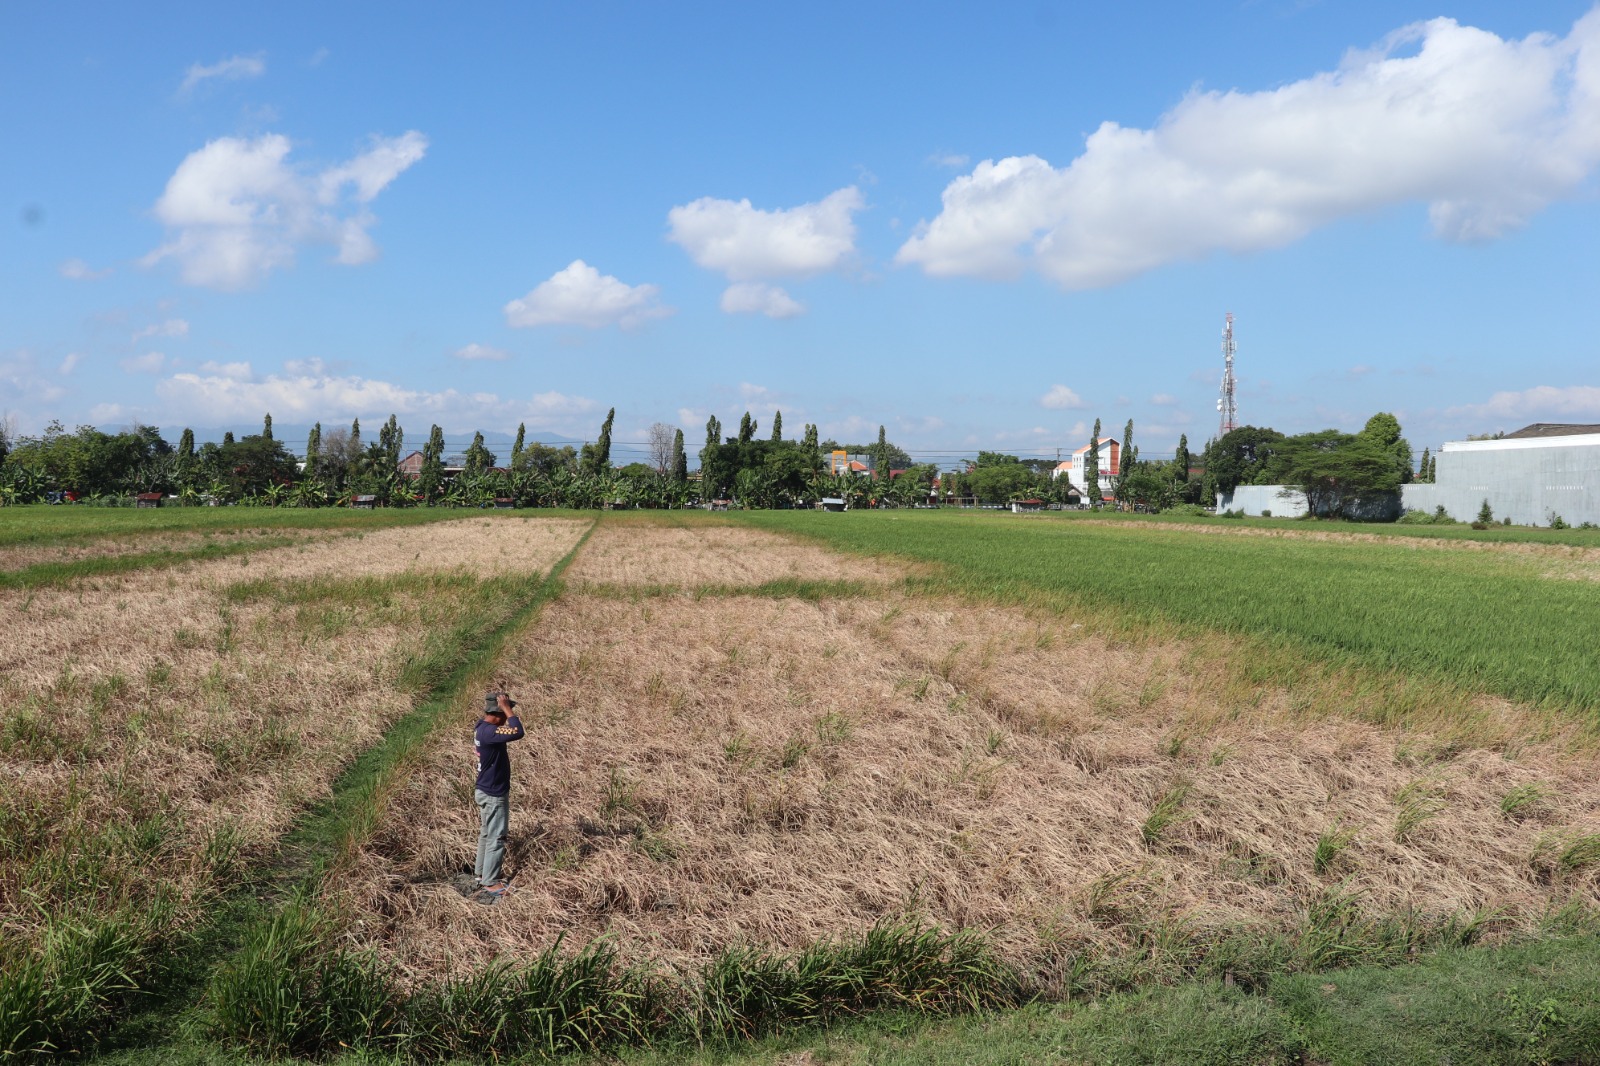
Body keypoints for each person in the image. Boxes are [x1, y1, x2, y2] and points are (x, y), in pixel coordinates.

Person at [473, 690, 524, 898]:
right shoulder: (490, 733)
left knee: (486, 833)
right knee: (497, 837)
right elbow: (518, 731)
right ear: (498, 713)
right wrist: (507, 708)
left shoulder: (482, 728)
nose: (506, 718)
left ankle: (480, 874)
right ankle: (490, 882)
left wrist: (503, 708)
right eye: (503, 713)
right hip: (494, 794)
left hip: (484, 789)